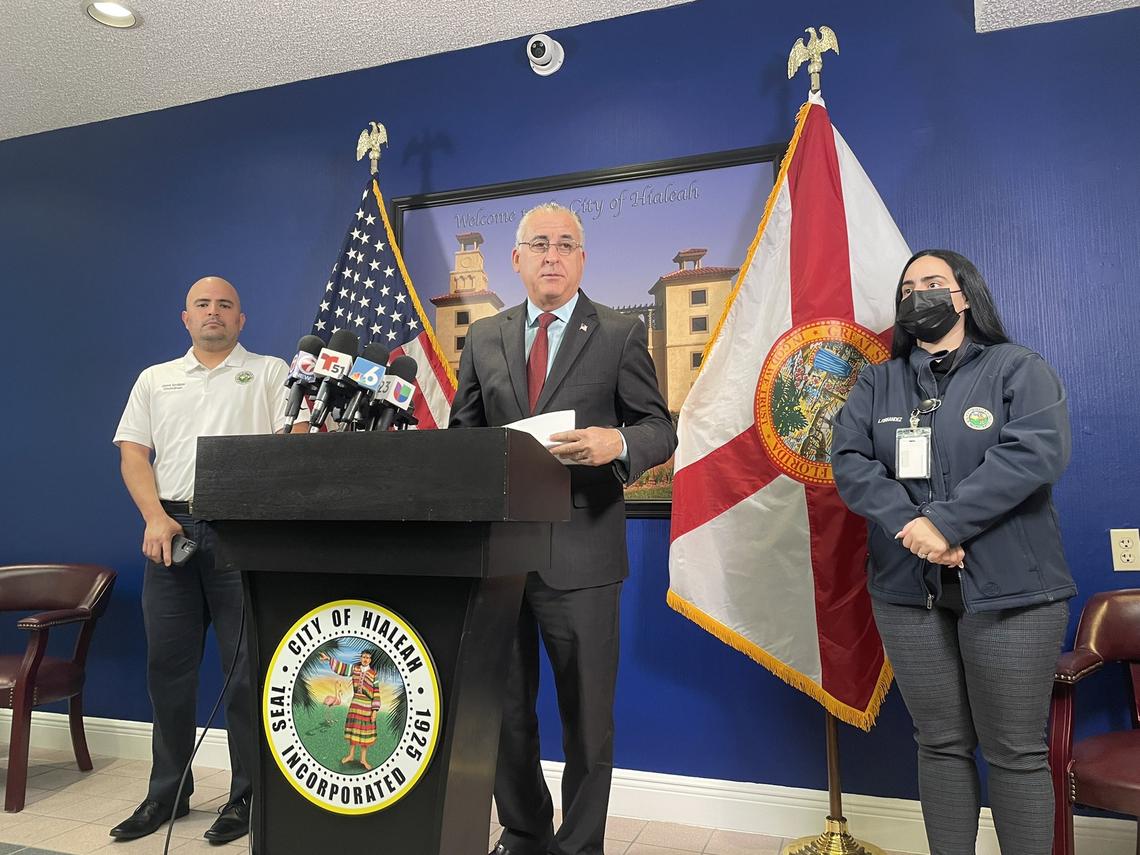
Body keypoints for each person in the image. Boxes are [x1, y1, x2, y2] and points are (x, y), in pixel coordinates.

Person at [449, 203, 676, 855]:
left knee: (586, 722)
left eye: (566, 244)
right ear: (516, 260)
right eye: (538, 244)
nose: (552, 254)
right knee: (504, 715)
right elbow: (464, 437)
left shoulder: (619, 332)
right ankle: (525, 833)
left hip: (583, 556)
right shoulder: (485, 337)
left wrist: (618, 441)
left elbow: (661, 428)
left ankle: (579, 847)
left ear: (582, 259)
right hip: (497, 558)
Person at [831, 249, 1075, 855]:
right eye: (908, 286)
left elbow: (1035, 454)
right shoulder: (878, 380)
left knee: (1015, 753)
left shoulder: (1017, 368)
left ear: (964, 295)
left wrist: (945, 524)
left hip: (1015, 594)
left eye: (934, 283)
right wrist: (912, 526)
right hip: (908, 593)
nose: (919, 294)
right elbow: (851, 462)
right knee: (938, 742)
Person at [111, 276, 306, 843]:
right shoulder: (156, 379)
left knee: (246, 675)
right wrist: (154, 516)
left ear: (241, 320)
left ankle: (246, 798)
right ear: (186, 318)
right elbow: (132, 455)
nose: (214, 312)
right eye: (203, 305)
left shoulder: (272, 373)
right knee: (166, 672)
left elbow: (289, 447)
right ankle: (167, 794)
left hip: (242, 532)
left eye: (225, 305)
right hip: (168, 529)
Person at [319, 649, 383, 769]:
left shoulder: (374, 674)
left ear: (370, 660)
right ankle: (351, 755)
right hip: (355, 705)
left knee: (365, 734)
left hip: (367, 707)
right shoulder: (355, 669)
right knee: (353, 731)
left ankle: (363, 759)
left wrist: (374, 710)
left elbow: (376, 692)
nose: (365, 659)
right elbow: (343, 667)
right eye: (364, 657)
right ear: (361, 658)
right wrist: (329, 659)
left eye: (368, 658)